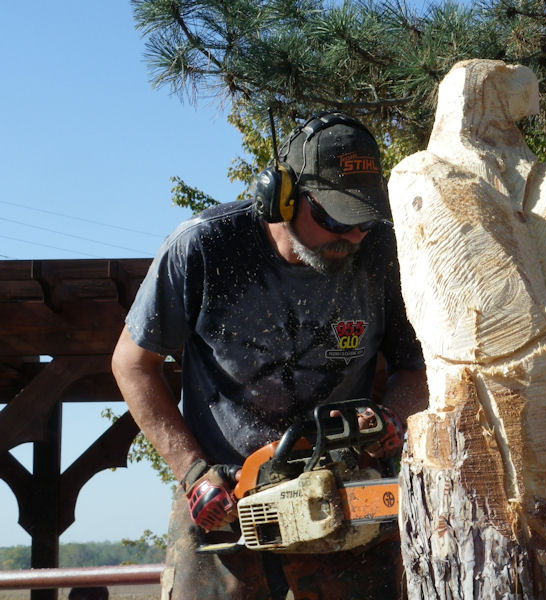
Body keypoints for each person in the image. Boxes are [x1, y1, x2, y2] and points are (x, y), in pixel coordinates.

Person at [111, 111, 428, 600]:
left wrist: (394, 419)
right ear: (282, 197)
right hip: (226, 496)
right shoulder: (205, 247)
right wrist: (193, 473)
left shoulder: (382, 253)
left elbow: (417, 364)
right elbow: (132, 363)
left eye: (364, 219)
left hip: (345, 488)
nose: (351, 236)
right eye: (334, 217)